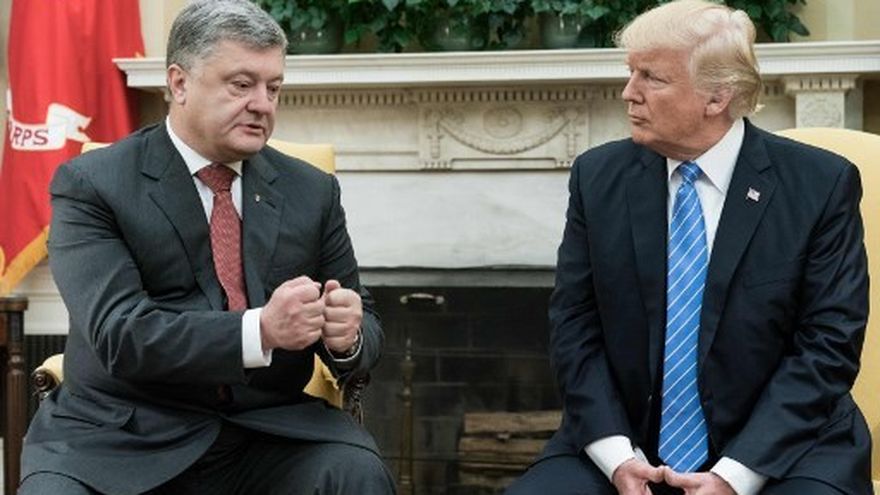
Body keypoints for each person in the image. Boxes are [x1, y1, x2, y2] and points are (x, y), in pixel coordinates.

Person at [19, 1, 395, 494]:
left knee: (355, 472)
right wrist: (260, 329)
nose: (262, 104)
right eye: (241, 85)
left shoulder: (312, 190)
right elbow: (119, 334)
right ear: (179, 84)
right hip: (123, 433)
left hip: (267, 429)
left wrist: (348, 338)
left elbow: (363, 319)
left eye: (273, 88)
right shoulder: (93, 184)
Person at [506, 1, 871, 494]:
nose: (628, 92)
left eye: (651, 78)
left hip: (786, 448)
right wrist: (617, 458)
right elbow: (575, 328)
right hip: (625, 441)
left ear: (717, 96)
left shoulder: (820, 185)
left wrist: (732, 477)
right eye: (631, 72)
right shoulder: (598, 178)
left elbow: (827, 348)